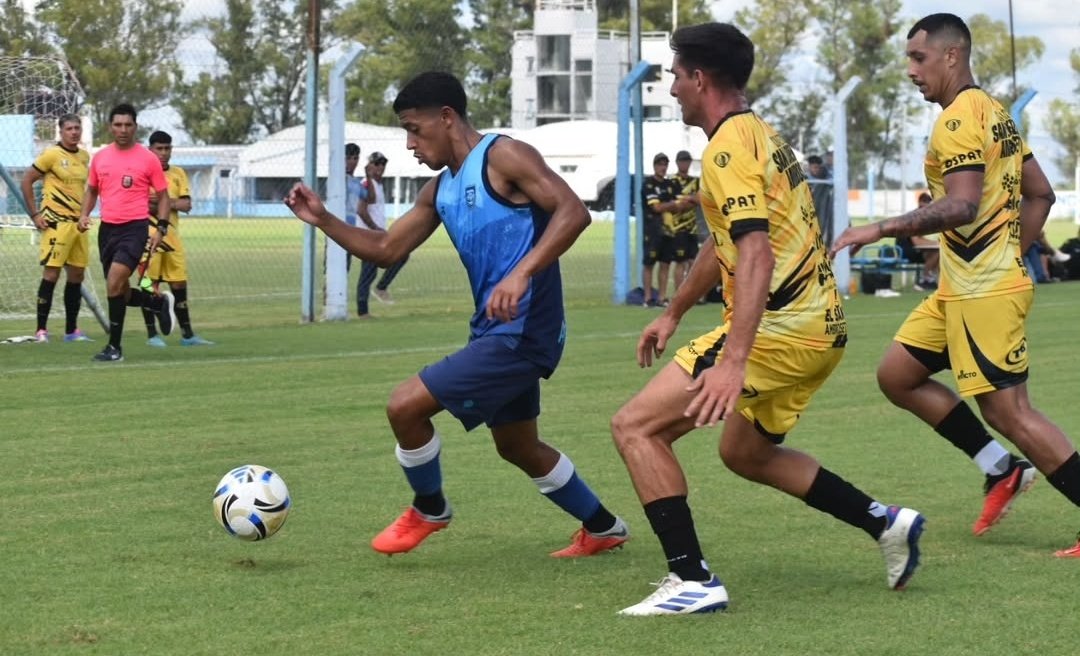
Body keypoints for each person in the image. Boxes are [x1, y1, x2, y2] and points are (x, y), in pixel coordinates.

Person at [611, 22, 924, 617]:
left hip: (780, 331)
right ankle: (884, 523)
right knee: (746, 455)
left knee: (635, 428)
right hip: (819, 329)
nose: (672, 88)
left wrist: (732, 362)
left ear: (700, 78)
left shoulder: (726, 150)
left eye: (676, 76)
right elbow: (725, 241)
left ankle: (692, 580)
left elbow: (756, 252)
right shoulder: (760, 136)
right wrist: (673, 312)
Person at [283, 71, 629, 558]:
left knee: (405, 405)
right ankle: (603, 527)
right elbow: (385, 248)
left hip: (524, 330)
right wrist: (323, 220)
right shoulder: (439, 190)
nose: (409, 144)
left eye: (414, 128)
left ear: (447, 118)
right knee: (517, 445)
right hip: (495, 329)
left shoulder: (504, 156)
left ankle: (430, 508)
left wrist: (522, 272)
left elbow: (573, 211)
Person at [832, 13, 1080, 557]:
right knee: (897, 374)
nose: (910, 70)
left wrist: (878, 227)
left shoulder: (959, 119)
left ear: (951, 56)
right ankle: (1000, 470)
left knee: (1010, 413)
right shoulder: (994, 111)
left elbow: (963, 204)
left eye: (918, 58)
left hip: (984, 293)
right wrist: (1013, 250)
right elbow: (1041, 193)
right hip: (960, 290)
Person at [77, 103, 176, 362]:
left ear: (135, 126)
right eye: (118, 125)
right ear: (110, 127)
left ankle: (114, 348)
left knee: (113, 282)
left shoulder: (147, 159)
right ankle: (155, 303)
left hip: (135, 229)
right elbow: (92, 190)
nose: (123, 129)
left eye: (128, 125)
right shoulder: (100, 157)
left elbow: (164, 197)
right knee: (118, 289)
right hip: (107, 230)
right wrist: (84, 214)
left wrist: (161, 228)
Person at [20, 113, 93, 343]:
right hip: (56, 223)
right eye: (69, 128)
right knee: (51, 274)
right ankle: (41, 330)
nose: (74, 132)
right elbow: (26, 181)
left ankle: (71, 331)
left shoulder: (83, 156)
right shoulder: (51, 155)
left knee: (77, 275)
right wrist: (35, 214)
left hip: (78, 226)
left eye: (77, 128)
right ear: (60, 132)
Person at [139, 131, 212, 347]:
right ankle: (152, 335)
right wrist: (171, 202)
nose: (163, 153)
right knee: (148, 286)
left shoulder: (178, 173)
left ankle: (188, 335)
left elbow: (186, 205)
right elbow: (142, 204)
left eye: (167, 148)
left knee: (179, 285)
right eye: (159, 148)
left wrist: (162, 202)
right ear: (149, 149)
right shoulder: (142, 173)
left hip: (172, 239)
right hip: (148, 239)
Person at [355, 151, 409, 317]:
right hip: (368, 234)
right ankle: (363, 310)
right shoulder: (365, 184)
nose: (380, 167)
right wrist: (374, 228)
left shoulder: (376, 184)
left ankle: (381, 288)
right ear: (369, 165)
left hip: (377, 234)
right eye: (377, 163)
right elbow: (361, 209)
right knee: (368, 271)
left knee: (401, 254)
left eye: (383, 164)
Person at [641, 153, 692, 306]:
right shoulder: (648, 184)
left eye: (665, 165)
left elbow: (681, 205)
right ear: (654, 166)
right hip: (653, 230)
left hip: (670, 230)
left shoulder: (670, 184)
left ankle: (661, 298)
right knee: (649, 263)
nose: (662, 168)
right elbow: (656, 207)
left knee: (665, 263)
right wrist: (672, 205)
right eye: (660, 165)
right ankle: (647, 298)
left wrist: (670, 205)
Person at [894, 192, 941, 291]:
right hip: (905, 251)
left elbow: (920, 239)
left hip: (913, 249)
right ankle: (925, 279)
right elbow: (917, 242)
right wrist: (937, 244)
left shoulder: (921, 218)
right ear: (920, 204)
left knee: (938, 252)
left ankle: (931, 279)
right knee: (937, 252)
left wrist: (936, 243)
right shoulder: (913, 219)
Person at [669, 150, 700, 291]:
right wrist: (690, 200)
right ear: (677, 163)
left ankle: (695, 294)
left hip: (692, 227)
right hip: (677, 228)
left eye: (687, 161)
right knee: (680, 262)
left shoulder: (695, 181)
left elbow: (700, 199)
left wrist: (687, 201)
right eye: (682, 161)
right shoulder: (672, 181)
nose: (684, 164)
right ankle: (679, 293)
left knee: (694, 262)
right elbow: (674, 204)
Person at [806, 155, 834, 248]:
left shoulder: (825, 176)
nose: (816, 170)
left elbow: (831, 182)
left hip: (821, 207)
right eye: (814, 167)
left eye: (818, 167)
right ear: (809, 167)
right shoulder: (805, 177)